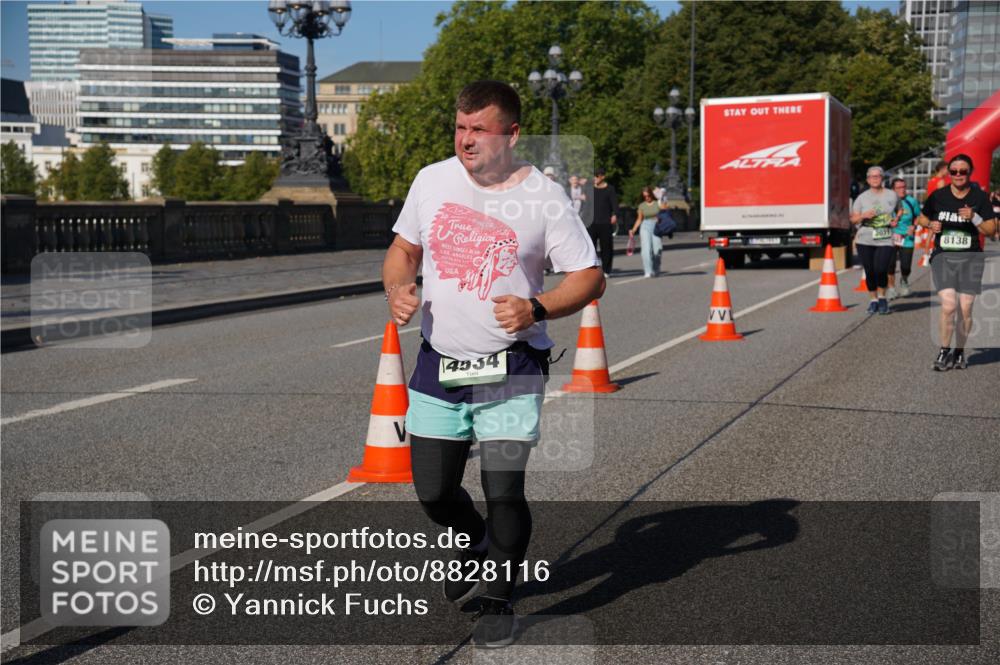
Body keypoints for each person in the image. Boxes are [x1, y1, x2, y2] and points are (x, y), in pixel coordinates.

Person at [382, 80, 604, 646]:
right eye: (460, 127)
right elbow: (404, 249)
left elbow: (588, 275)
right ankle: (476, 541)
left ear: (511, 133)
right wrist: (398, 287)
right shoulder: (432, 180)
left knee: (503, 487)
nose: (465, 140)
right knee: (433, 491)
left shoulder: (545, 196)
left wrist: (537, 305)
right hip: (441, 361)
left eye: (478, 129)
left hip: (512, 366)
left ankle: (500, 598)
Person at [915, 154, 998, 371]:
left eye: (963, 171)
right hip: (944, 256)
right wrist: (930, 224)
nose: (958, 175)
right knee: (949, 305)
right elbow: (921, 218)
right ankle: (944, 351)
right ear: (949, 173)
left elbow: (991, 231)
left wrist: (975, 217)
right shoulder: (939, 196)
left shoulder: (980, 197)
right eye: (954, 172)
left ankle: (959, 351)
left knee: (966, 307)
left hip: (971, 258)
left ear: (969, 172)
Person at [850, 165, 899, 314]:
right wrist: (863, 216)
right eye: (872, 177)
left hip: (885, 237)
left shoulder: (892, 195)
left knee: (881, 269)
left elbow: (900, 209)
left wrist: (896, 219)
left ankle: (882, 298)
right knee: (870, 271)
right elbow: (853, 219)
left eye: (877, 176)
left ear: (882, 178)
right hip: (865, 239)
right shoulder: (861, 197)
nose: (875, 179)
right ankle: (873, 300)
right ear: (868, 179)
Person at [887, 178, 919, 298]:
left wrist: (913, 226)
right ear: (893, 189)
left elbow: (918, 217)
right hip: (890, 237)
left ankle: (904, 280)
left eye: (904, 187)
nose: (903, 190)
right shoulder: (887, 201)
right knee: (890, 265)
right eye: (899, 188)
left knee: (905, 266)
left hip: (906, 238)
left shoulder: (912, 202)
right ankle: (891, 288)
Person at [589, 167, 618, 277]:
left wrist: (615, 214)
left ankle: (606, 270)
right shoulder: (590, 189)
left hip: (605, 222)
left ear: (602, 176)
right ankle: (592, 270)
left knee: (607, 247)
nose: (594, 178)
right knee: (591, 248)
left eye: (596, 176)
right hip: (591, 223)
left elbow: (614, 203)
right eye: (593, 175)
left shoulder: (610, 189)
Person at [629, 186, 663, 277]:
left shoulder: (658, 203)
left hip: (656, 226)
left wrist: (661, 198)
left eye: (648, 196)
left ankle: (656, 269)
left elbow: (666, 210)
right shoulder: (642, 206)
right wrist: (634, 229)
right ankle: (648, 271)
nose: (647, 198)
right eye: (644, 196)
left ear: (651, 195)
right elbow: (639, 219)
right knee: (646, 249)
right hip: (645, 226)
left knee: (657, 249)